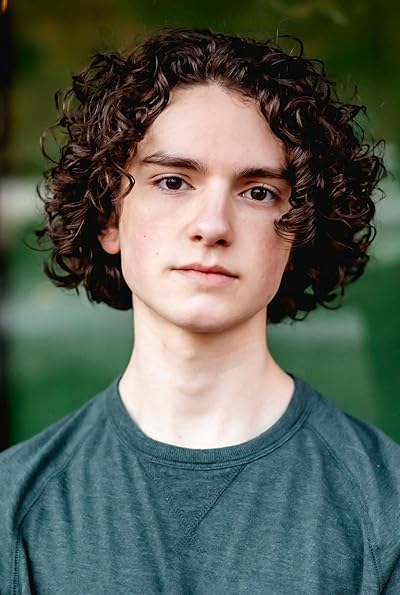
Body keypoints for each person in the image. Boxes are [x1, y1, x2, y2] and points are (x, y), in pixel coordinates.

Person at [1, 28, 399, 594]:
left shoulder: (386, 510)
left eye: (258, 192)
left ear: (298, 234)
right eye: (173, 181)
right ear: (110, 218)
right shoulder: (12, 508)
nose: (212, 226)